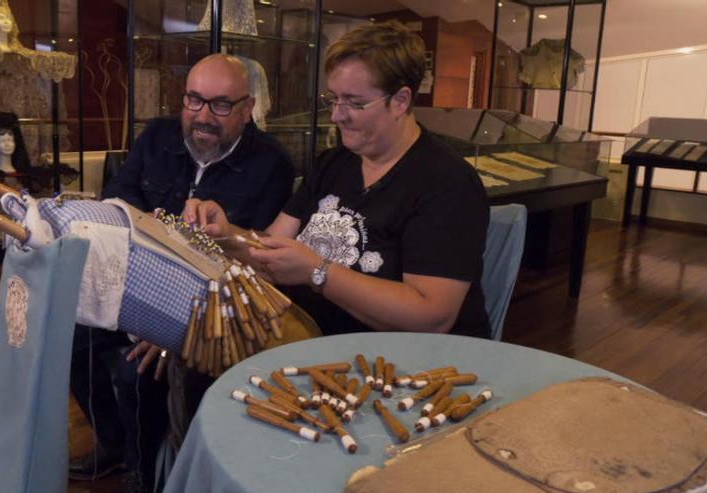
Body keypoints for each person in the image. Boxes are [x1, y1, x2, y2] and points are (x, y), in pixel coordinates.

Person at [68, 53, 295, 492]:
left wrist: (172, 316)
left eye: (220, 105)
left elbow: (252, 261)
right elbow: (117, 203)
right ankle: (113, 442)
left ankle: (146, 473)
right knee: (73, 336)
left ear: (248, 108)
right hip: (135, 281)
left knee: (137, 373)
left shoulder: (272, 163)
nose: (203, 116)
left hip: (208, 303)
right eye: (193, 100)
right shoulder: (155, 138)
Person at [185, 22, 491, 339]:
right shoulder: (334, 163)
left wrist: (317, 272)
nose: (336, 115)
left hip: (405, 363)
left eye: (355, 102)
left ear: (400, 101)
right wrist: (226, 235)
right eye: (334, 98)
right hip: (311, 339)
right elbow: (271, 248)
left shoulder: (447, 183)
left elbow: (432, 317)